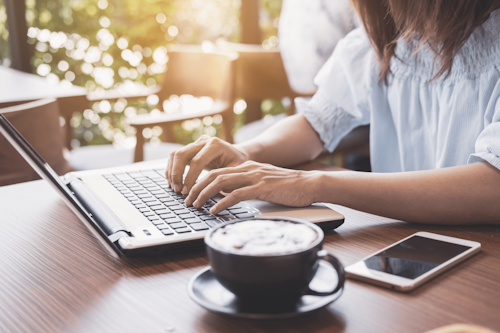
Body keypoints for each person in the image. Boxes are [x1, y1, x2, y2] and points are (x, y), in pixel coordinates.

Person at [166, 0, 500, 225]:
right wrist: (248, 152)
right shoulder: (383, 43)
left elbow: (492, 188)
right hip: (406, 238)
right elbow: (317, 122)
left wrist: (316, 184)